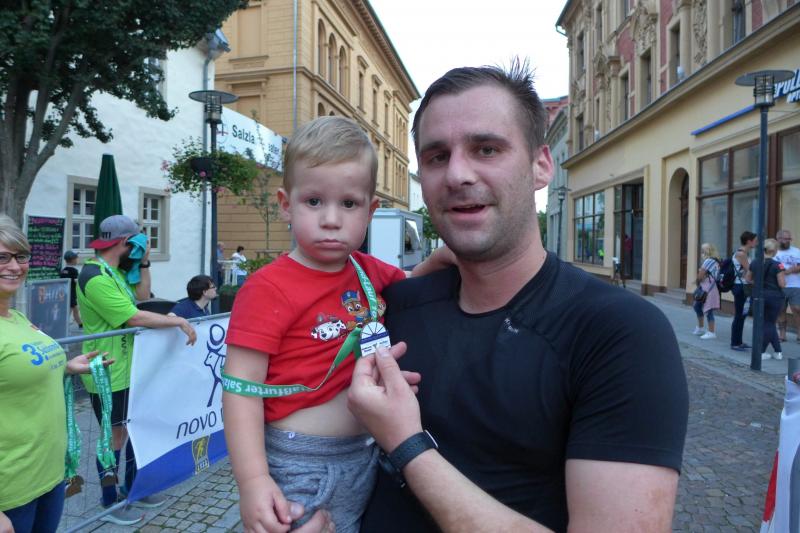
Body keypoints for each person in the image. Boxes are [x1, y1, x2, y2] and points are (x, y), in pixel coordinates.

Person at [346, 62, 689, 532]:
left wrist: (407, 446)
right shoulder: (398, 306)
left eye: (487, 149)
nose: (457, 174)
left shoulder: (620, 332)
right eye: (437, 157)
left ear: (541, 165)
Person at [222, 116, 422, 533]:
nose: (331, 219)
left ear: (370, 211)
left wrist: (451, 259)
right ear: (285, 204)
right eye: (314, 201)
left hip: (367, 455)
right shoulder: (267, 288)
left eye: (348, 204)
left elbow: (419, 286)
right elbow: (240, 390)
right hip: (300, 466)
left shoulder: (370, 272)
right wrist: (253, 481)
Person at [77, 214, 197, 525]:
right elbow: (133, 317)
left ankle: (132, 489)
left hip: (127, 367)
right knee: (112, 437)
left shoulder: (115, 271)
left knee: (130, 430)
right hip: (107, 372)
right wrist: (176, 321)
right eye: (138, 242)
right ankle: (109, 500)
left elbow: (143, 298)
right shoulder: (94, 276)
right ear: (126, 242)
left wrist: (143, 262)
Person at [0, 215, 111, 533]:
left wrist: (65, 367)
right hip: (10, 491)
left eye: (21, 256)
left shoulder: (16, 317)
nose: (15, 266)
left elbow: (17, 370)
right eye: (2, 257)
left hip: (48, 475)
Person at [748, 238, 787, 360]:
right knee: (770, 324)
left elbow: (748, 278)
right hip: (774, 297)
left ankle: (778, 351)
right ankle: (761, 352)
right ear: (774, 251)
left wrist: (758, 284)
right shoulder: (777, 265)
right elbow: (782, 284)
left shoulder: (755, 262)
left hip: (758, 296)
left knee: (766, 324)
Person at [731, 231, 757, 351]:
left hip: (743, 286)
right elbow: (749, 270)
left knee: (742, 314)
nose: (756, 243)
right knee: (739, 315)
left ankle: (739, 341)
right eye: (755, 241)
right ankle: (735, 343)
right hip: (741, 287)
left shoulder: (744, 253)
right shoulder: (741, 254)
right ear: (749, 241)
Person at [775, 229, 800, 342]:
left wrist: (792, 270)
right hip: (779, 285)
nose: (787, 241)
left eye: (789, 239)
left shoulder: (796, 251)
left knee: (797, 309)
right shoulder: (773, 252)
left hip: (795, 285)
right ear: (778, 239)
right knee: (781, 310)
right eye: (785, 239)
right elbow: (771, 267)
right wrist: (786, 271)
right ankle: (782, 335)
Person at [693, 243, 721, 340]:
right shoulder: (714, 261)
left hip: (708, 288)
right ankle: (700, 328)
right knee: (697, 306)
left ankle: (711, 332)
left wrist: (697, 281)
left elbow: (701, 274)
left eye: (704, 250)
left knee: (708, 310)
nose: (702, 252)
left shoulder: (709, 260)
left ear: (709, 251)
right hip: (707, 287)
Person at [59, 250, 82, 327]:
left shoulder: (63, 271)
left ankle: (80, 324)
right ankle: (62, 324)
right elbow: (76, 281)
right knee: (70, 309)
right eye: (76, 258)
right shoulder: (74, 271)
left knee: (75, 309)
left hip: (64, 293)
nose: (77, 260)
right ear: (72, 260)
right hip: (71, 293)